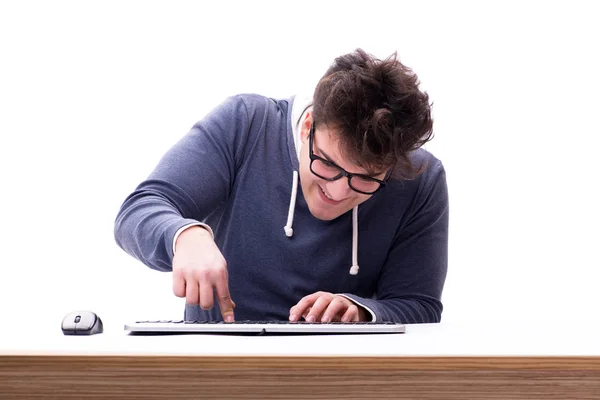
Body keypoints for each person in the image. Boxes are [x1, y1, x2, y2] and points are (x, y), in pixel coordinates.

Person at [114, 48, 449, 324]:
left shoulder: (421, 177)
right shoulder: (245, 124)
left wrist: (364, 311)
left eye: (366, 178)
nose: (339, 191)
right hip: (217, 370)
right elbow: (138, 210)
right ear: (307, 126)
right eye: (328, 164)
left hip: (342, 378)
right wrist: (184, 236)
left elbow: (419, 306)